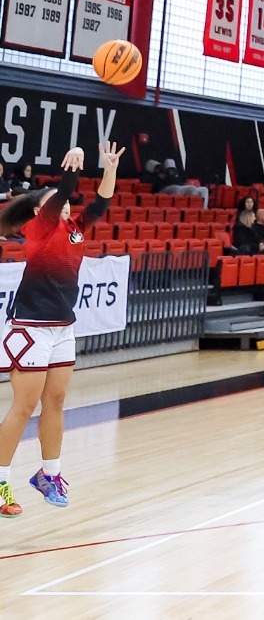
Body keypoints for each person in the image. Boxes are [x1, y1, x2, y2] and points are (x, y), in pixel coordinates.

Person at [0, 142, 119, 518]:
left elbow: (101, 203)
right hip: (31, 328)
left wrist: (109, 169)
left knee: (56, 402)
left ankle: (48, 474)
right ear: (40, 210)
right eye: (56, 202)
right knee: (24, 407)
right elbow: (64, 191)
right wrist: (74, 162)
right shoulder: (39, 227)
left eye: (65, 203)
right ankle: (0, 481)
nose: (64, 205)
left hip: (63, 328)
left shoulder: (76, 230)